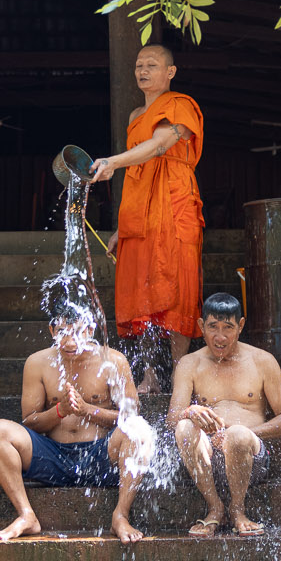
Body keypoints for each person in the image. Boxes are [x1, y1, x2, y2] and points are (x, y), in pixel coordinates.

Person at [0, 305, 156, 544]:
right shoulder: (37, 362)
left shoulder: (113, 360)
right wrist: (59, 411)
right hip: (53, 457)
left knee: (140, 430)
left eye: (79, 331)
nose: (70, 341)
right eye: (63, 332)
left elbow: (131, 415)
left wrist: (88, 410)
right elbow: (30, 421)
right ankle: (26, 514)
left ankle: (120, 515)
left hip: (101, 456)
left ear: (91, 329)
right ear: (51, 330)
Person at [87, 44, 203, 394]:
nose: (143, 70)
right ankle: (151, 375)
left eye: (152, 64)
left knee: (179, 286)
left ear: (170, 72)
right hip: (140, 209)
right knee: (143, 290)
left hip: (174, 201)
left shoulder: (180, 105)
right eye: (139, 64)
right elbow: (137, 171)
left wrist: (112, 161)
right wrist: (121, 229)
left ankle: (182, 376)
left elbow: (158, 145)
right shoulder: (136, 113)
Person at [169, 292, 281, 537]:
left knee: (237, 435)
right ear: (201, 327)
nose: (220, 337)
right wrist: (190, 410)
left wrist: (240, 434)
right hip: (208, 458)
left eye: (228, 327)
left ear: (240, 326)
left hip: (250, 456)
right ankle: (215, 508)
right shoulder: (189, 363)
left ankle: (238, 509)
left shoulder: (262, 361)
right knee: (184, 427)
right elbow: (172, 418)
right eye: (212, 327)